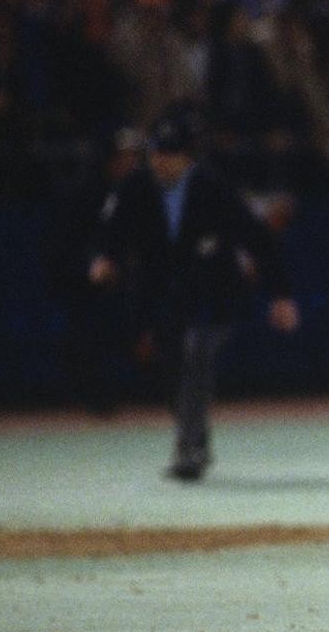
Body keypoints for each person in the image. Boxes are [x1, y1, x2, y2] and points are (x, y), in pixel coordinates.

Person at [88, 106, 301, 481]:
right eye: (155, 153)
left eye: (169, 155)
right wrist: (105, 258)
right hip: (162, 297)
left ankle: (190, 449)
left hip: (214, 296)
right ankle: (193, 438)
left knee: (196, 353)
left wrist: (281, 296)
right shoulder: (136, 186)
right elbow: (113, 229)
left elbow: (257, 239)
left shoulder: (212, 188)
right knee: (171, 369)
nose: (160, 162)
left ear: (187, 158)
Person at [43, 126, 146, 416]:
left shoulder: (140, 190)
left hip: (124, 282)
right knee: (88, 335)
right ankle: (94, 399)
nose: (130, 163)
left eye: (133, 157)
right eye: (123, 157)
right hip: (82, 284)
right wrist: (91, 268)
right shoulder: (80, 192)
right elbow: (60, 247)